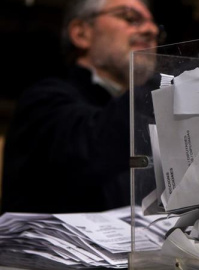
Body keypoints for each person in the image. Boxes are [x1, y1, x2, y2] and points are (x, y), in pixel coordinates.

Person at [1, 0, 159, 213]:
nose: (152, 30)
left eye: (154, 25)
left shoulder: (142, 111)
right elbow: (93, 146)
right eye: (130, 18)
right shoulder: (44, 99)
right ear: (81, 34)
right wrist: (198, 70)